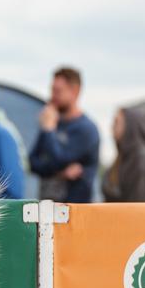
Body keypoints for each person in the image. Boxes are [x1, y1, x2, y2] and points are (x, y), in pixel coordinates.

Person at [27, 67, 99, 203]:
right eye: (52, 90)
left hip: (74, 213)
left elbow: (57, 160)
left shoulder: (86, 129)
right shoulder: (53, 122)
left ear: (75, 91)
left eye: (58, 91)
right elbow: (33, 162)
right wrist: (59, 172)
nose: (52, 96)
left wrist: (48, 130)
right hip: (47, 209)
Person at [102, 108, 145, 202]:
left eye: (117, 122)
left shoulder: (139, 160)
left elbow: (137, 206)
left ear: (130, 125)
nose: (112, 127)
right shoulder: (121, 158)